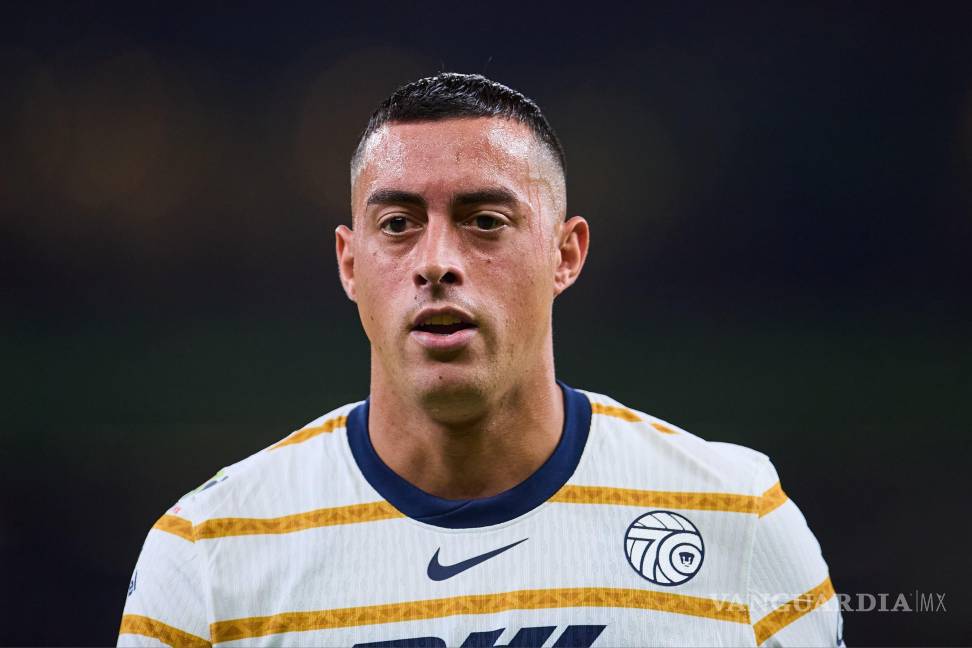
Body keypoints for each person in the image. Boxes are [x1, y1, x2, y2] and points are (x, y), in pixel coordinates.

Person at [118, 73, 843, 647]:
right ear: (349, 263)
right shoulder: (210, 552)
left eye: (485, 221)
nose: (436, 261)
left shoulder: (736, 519)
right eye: (397, 224)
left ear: (565, 254)